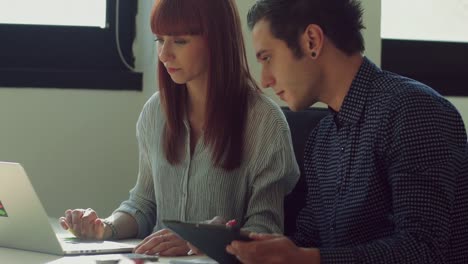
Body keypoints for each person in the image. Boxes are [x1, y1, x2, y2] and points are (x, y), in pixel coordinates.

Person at [226, 0, 468, 263]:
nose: (264, 79)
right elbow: (308, 241)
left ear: (312, 41)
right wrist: (239, 246)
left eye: (267, 58)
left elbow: (422, 249)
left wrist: (307, 259)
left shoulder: (413, 111)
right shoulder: (322, 139)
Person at [59, 0, 299, 257]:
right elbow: (143, 203)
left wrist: (200, 240)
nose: (164, 54)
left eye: (180, 41)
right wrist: (105, 227)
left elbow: (266, 229)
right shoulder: (154, 113)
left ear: (216, 40)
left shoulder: (265, 122)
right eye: (160, 40)